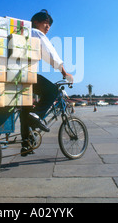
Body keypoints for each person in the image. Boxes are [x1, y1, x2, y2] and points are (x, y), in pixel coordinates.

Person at [20, 9, 73, 156]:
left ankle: (26, 144)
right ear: (35, 22)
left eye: (49, 24)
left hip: (16, 74)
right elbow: (51, 55)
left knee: (26, 110)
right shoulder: (36, 33)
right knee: (52, 91)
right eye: (45, 22)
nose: (48, 26)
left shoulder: (24, 33)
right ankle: (37, 116)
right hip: (26, 74)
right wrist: (64, 73)